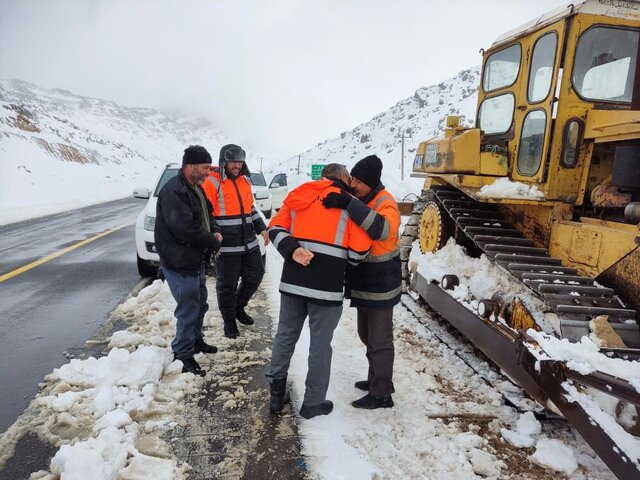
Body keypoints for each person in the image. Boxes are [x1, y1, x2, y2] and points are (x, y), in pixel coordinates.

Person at [266, 164, 372, 419]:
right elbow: (360, 251)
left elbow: (275, 229)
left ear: (323, 176)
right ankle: (313, 403)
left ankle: (276, 396)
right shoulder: (348, 204)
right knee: (320, 345)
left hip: (293, 282)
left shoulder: (299, 194)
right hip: (327, 289)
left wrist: (293, 250)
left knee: (285, 336)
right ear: (344, 179)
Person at [322, 154, 401, 409]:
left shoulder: (385, 202)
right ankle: (376, 378)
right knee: (366, 334)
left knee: (379, 339)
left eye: (356, 180)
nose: (352, 184)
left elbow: (382, 230)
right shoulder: (365, 198)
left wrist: (349, 203)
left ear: (369, 181)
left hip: (381, 283)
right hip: (367, 283)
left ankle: (381, 393)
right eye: (351, 178)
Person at [155, 145, 222, 376]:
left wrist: (214, 230)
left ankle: (195, 340)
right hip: (179, 262)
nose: (208, 173)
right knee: (188, 309)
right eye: (205, 168)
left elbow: (208, 215)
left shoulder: (196, 188)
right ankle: (182, 354)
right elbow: (185, 229)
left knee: (200, 303)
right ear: (190, 166)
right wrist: (212, 241)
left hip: (194, 260)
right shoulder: (174, 191)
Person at [202, 144, 269, 339]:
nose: (237, 165)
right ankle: (229, 320)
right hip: (226, 245)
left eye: (240, 161)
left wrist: (261, 228)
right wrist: (213, 240)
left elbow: (250, 209)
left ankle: (239, 307)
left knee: (256, 275)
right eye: (233, 161)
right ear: (224, 161)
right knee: (227, 285)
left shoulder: (244, 181)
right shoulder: (212, 182)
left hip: (249, 242)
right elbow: (207, 214)